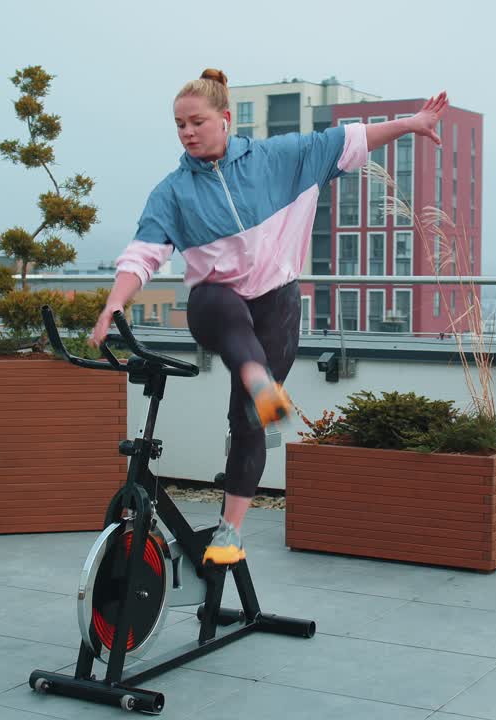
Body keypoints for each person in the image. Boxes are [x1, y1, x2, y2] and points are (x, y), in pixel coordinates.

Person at [91, 68, 448, 565]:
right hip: (216, 307)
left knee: (247, 423)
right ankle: (257, 376)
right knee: (221, 305)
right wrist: (114, 302)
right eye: (179, 125)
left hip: (276, 306)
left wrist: (412, 123)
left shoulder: (281, 158)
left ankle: (229, 533)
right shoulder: (173, 192)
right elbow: (142, 255)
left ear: (225, 118)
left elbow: (351, 138)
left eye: (196, 121)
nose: (187, 132)